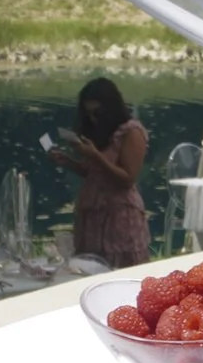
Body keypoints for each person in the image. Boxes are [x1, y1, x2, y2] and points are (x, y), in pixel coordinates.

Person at [50, 77, 150, 268]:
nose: (93, 118)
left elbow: (128, 178)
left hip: (119, 215)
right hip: (92, 213)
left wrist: (96, 155)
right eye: (88, 114)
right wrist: (69, 162)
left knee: (118, 269)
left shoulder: (131, 132)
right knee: (89, 267)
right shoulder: (100, 131)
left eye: (97, 113)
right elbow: (95, 175)